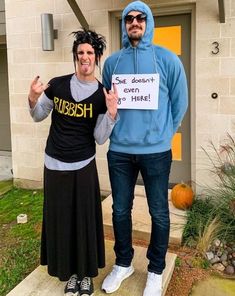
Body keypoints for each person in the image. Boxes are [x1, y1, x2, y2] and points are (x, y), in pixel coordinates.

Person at [101, 1, 188, 296]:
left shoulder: (167, 59)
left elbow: (180, 102)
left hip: (156, 152)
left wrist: (165, 133)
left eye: (140, 18)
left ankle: (155, 269)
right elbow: (107, 103)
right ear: (124, 24)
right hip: (120, 151)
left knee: (159, 213)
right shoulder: (112, 63)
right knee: (120, 210)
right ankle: (123, 263)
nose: (134, 22)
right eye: (129, 18)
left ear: (148, 22)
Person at [28, 28, 118, 296]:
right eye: (80, 53)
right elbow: (37, 116)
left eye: (90, 52)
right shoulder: (57, 84)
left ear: (97, 56)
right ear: (75, 57)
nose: (85, 57)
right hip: (54, 166)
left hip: (83, 167)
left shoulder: (102, 95)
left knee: (84, 224)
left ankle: (85, 275)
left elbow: (100, 138)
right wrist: (33, 97)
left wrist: (112, 113)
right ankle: (69, 275)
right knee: (62, 222)